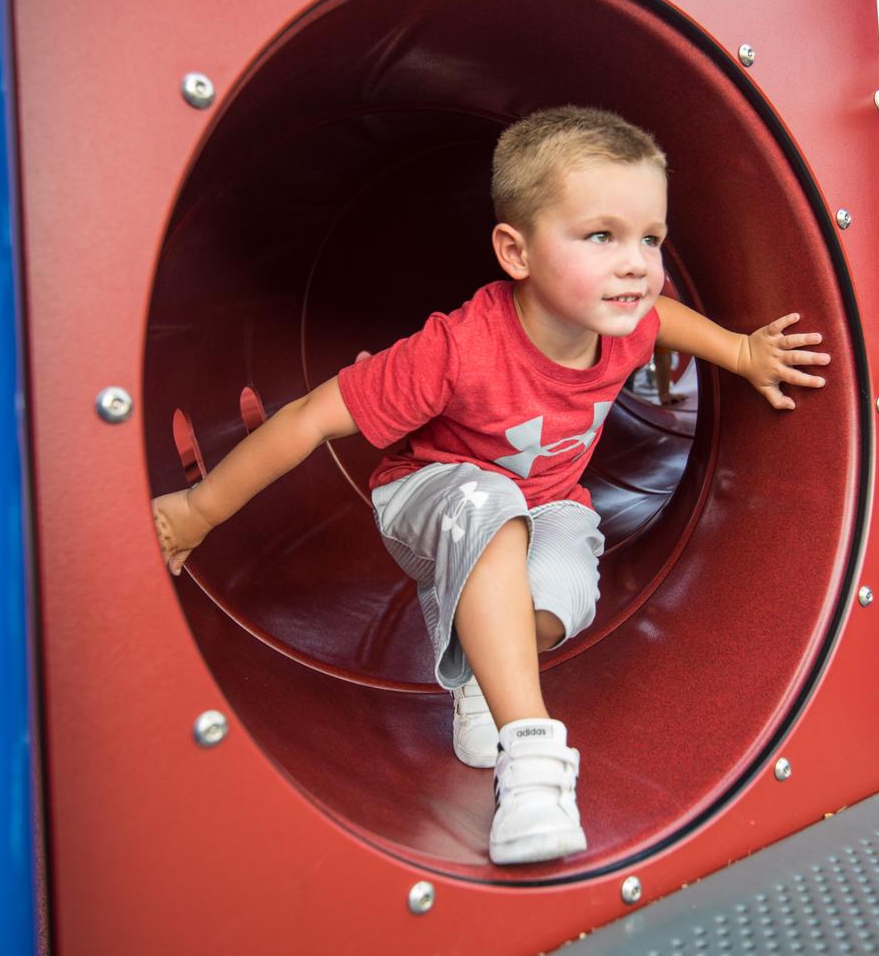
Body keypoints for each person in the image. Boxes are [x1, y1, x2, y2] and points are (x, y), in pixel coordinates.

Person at [151, 105, 828, 864]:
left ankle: (480, 673)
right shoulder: (457, 349)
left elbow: (663, 318)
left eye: (650, 238)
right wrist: (196, 511)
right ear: (516, 251)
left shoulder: (624, 321)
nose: (637, 263)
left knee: (563, 598)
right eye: (600, 235)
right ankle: (532, 760)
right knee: (492, 504)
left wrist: (741, 352)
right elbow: (310, 418)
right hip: (429, 497)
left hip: (549, 505)